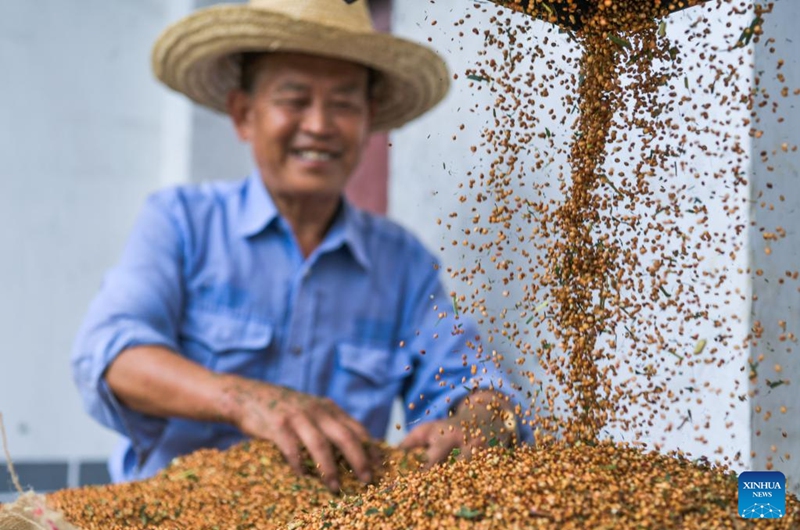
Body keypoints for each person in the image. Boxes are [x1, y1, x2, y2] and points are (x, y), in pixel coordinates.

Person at [72, 0, 517, 491]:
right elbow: (110, 356)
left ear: (368, 121)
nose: (320, 125)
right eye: (294, 98)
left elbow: (472, 380)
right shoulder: (181, 223)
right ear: (244, 115)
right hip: (172, 513)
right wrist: (242, 399)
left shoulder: (403, 264)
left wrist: (480, 419)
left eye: (344, 103)